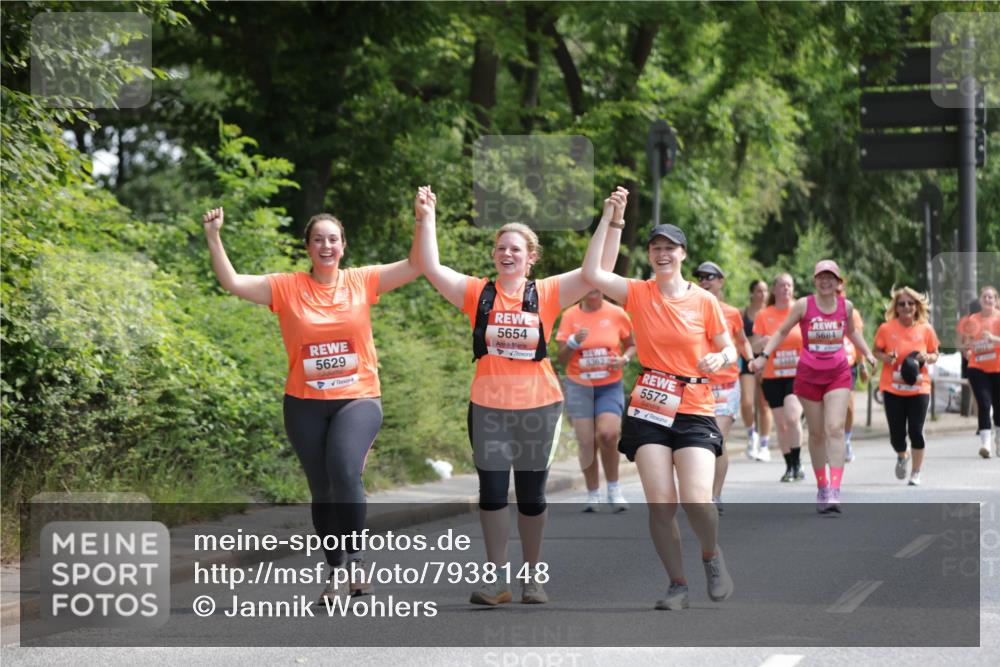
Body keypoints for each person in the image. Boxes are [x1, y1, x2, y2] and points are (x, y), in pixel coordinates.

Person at [415, 185, 628, 606]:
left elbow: (598, 270)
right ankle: (497, 580)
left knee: (531, 497)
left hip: (538, 406)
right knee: (492, 493)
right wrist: (426, 217)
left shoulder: (546, 293)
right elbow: (432, 266)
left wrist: (611, 219)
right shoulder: (478, 293)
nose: (506, 254)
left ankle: (532, 577)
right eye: (501, 248)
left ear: (531, 257)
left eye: (515, 249)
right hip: (488, 407)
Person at [202, 205, 420, 602]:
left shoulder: (361, 281)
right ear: (307, 247)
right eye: (318, 239)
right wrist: (214, 236)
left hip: (357, 397)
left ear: (343, 246)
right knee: (321, 488)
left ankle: (357, 562)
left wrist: (423, 219)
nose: (326, 245)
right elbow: (232, 282)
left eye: (333, 239)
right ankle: (334, 570)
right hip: (303, 403)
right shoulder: (286, 287)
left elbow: (416, 264)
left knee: (343, 470)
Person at [583, 219, 736, 611]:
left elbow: (730, 349)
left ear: (683, 253)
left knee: (697, 500)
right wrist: (613, 220)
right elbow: (593, 273)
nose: (663, 254)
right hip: (651, 405)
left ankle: (710, 553)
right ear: (650, 255)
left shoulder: (704, 300)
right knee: (661, 502)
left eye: (670, 248)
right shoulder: (637, 292)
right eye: (656, 248)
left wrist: (720, 356)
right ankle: (677, 584)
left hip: (694, 404)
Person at [750, 260, 876, 514]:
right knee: (817, 433)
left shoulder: (846, 307)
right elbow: (782, 331)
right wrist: (764, 356)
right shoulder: (803, 305)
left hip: (838, 373)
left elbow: (852, 333)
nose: (826, 281)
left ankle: (835, 490)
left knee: (835, 428)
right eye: (821, 276)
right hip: (808, 375)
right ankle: (822, 487)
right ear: (815, 280)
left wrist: (868, 354)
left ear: (838, 282)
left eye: (831, 277)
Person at [556, 290, 636, 513]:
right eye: (588, 285)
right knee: (586, 441)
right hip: (579, 387)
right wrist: (572, 342)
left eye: (598, 285)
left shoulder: (617, 313)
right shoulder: (570, 316)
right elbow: (561, 358)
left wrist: (624, 359)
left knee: (608, 434)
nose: (594, 289)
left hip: (609, 386)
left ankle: (614, 488)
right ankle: (593, 493)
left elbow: (632, 344)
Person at [694, 262, 754, 515]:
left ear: (721, 281)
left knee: (715, 439)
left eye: (710, 277)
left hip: (727, 386)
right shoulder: (691, 310)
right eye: (700, 278)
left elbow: (741, 342)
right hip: (699, 387)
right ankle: (702, 492)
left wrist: (750, 361)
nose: (704, 281)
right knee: (701, 443)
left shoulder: (731, 313)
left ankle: (714, 494)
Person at [873, 287, 940, 485]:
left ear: (917, 306)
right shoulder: (886, 328)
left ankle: (916, 472)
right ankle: (902, 454)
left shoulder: (926, 329)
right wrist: (887, 357)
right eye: (901, 304)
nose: (906, 307)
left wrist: (927, 357)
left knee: (916, 431)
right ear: (896, 307)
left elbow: (935, 353)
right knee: (896, 435)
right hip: (893, 388)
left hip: (919, 388)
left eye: (910, 303)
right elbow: (876, 350)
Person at [751, 273, 805, 481]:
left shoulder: (800, 312)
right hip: (773, 376)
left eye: (789, 286)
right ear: (774, 290)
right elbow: (754, 346)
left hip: (797, 374)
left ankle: (798, 463)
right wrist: (764, 340)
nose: (785, 289)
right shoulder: (764, 315)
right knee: (781, 423)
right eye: (781, 286)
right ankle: (789, 466)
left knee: (792, 417)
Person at [957, 285, 1000, 458]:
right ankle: (985, 445)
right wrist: (965, 351)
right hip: (977, 367)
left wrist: (993, 338)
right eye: (985, 297)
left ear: (996, 301)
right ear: (980, 301)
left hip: (998, 368)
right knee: (984, 403)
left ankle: (998, 440)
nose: (988, 300)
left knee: (999, 406)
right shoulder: (970, 320)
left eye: (991, 297)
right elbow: (962, 343)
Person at [741, 279, 773, 461]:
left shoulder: (770, 313)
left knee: (764, 404)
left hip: (767, 361)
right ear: (752, 293)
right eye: (759, 291)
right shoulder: (743, 313)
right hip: (747, 360)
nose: (762, 294)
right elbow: (739, 338)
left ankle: (764, 444)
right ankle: (751, 433)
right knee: (746, 402)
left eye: (765, 290)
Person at [842, 291, 868, 462]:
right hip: (826, 365)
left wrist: (862, 364)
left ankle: (846, 440)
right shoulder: (818, 311)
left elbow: (858, 339)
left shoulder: (852, 313)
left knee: (849, 407)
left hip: (848, 364)